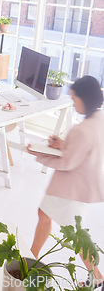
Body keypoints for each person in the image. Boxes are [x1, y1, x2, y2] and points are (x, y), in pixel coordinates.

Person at [28, 76, 104, 289]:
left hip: (69, 188)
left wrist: (38, 153)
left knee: (73, 234)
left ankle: (30, 261)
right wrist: (63, 144)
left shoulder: (82, 130)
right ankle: (32, 258)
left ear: (85, 99)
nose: (73, 103)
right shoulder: (99, 119)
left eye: (74, 99)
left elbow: (68, 162)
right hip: (83, 186)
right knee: (52, 220)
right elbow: (82, 151)